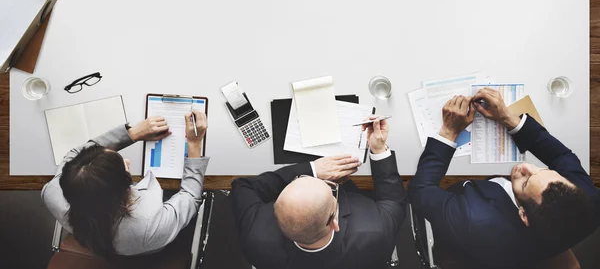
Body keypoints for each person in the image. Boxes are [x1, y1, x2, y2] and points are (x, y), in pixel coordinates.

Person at [408, 88, 599, 269]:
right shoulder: (589, 201)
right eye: (542, 170)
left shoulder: (473, 219)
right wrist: (509, 119)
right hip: (543, 247)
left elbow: (420, 191)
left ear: (523, 215)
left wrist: (449, 132)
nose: (525, 167)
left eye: (525, 182)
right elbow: (561, 158)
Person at [231, 117, 406, 269]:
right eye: (331, 187)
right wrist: (379, 149)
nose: (326, 180)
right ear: (334, 222)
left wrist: (312, 169)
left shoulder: (255, 237)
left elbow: (243, 187)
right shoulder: (375, 232)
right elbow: (394, 201)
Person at [42, 111, 208, 258]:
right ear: (126, 187)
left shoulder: (53, 191)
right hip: (147, 246)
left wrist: (134, 133)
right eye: (125, 166)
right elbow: (191, 196)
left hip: (96, 240)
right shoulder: (150, 225)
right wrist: (194, 144)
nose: (127, 161)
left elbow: (76, 154)